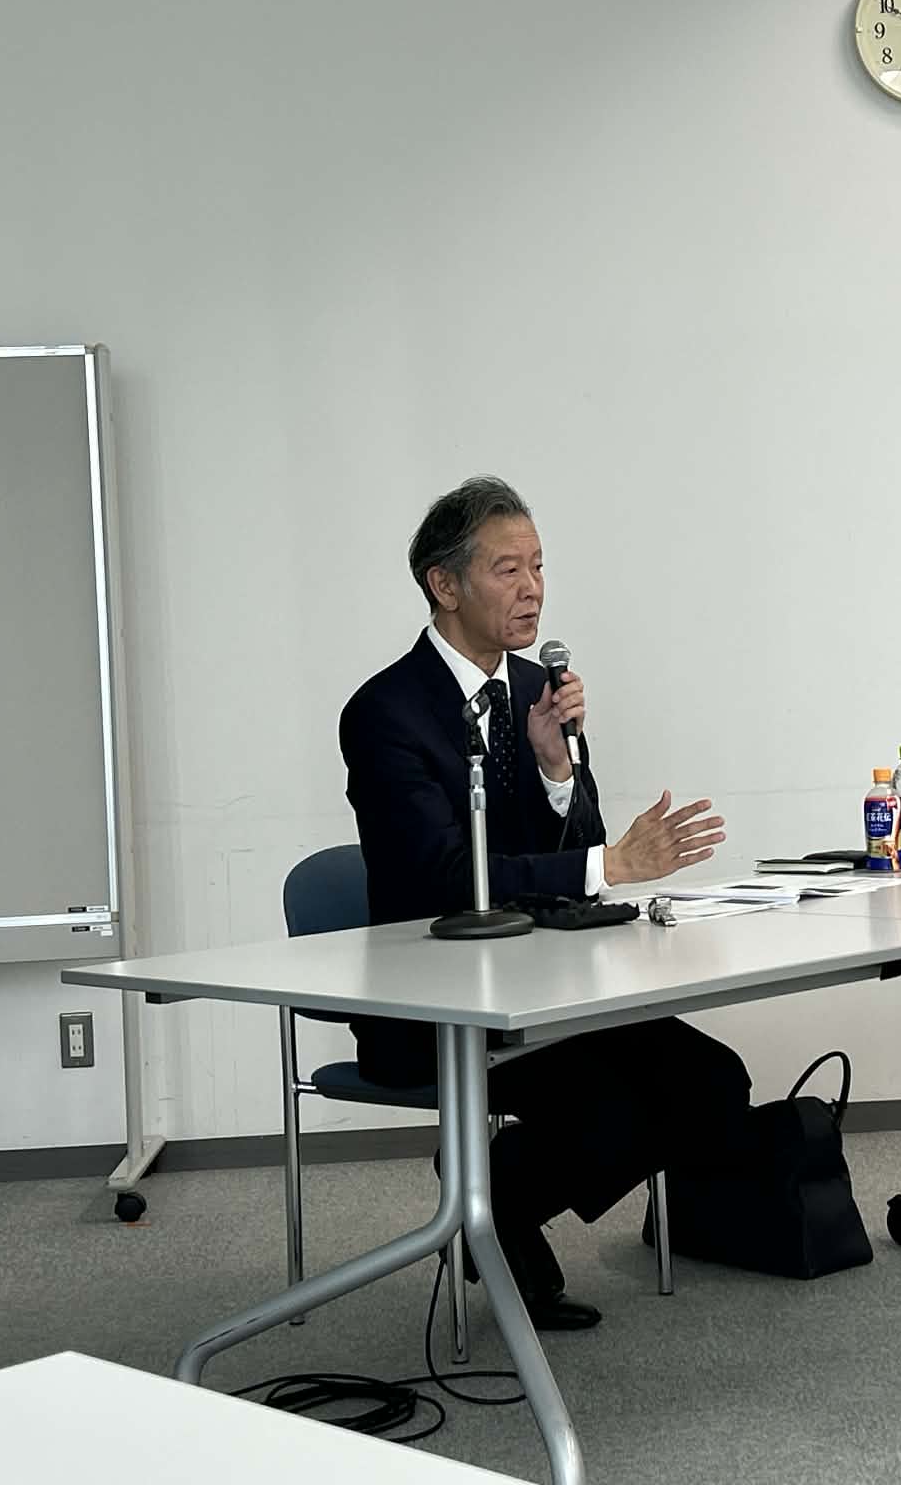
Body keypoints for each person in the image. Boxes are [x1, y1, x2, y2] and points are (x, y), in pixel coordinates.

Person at [339, 476, 752, 1330]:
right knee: (612, 1111)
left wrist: (558, 771)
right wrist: (611, 862)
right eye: (508, 570)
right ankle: (491, 1213)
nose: (532, 590)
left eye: (539, 567)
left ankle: (492, 1200)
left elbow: (576, 848)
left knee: (711, 1080)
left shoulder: (536, 688)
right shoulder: (384, 713)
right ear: (443, 584)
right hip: (436, 1001)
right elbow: (444, 877)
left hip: (547, 982)